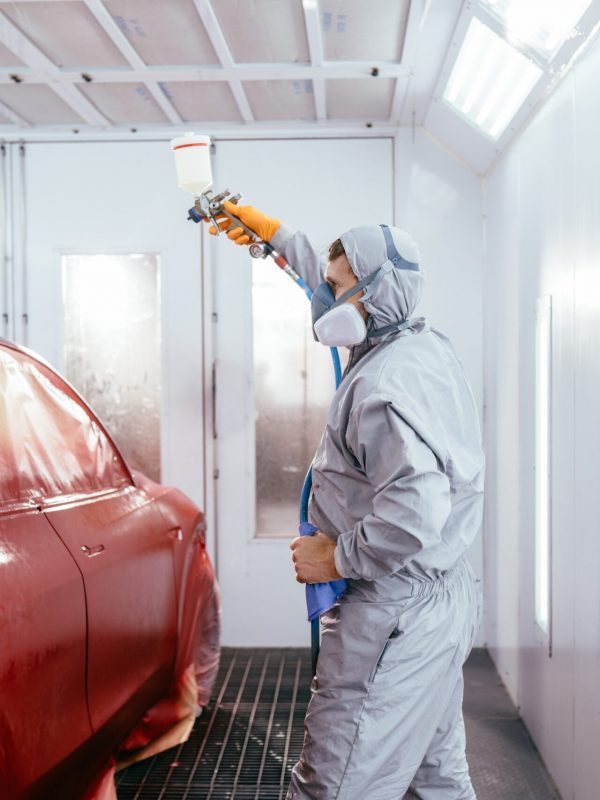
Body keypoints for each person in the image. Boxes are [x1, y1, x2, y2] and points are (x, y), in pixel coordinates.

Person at [208, 202, 485, 800]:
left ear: (375, 296)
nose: (326, 306)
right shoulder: (418, 346)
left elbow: (415, 511)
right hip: (437, 599)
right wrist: (278, 239)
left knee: (334, 784)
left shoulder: (382, 387)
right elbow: (338, 282)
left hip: (392, 609)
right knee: (435, 777)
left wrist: (337, 560)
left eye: (337, 290)